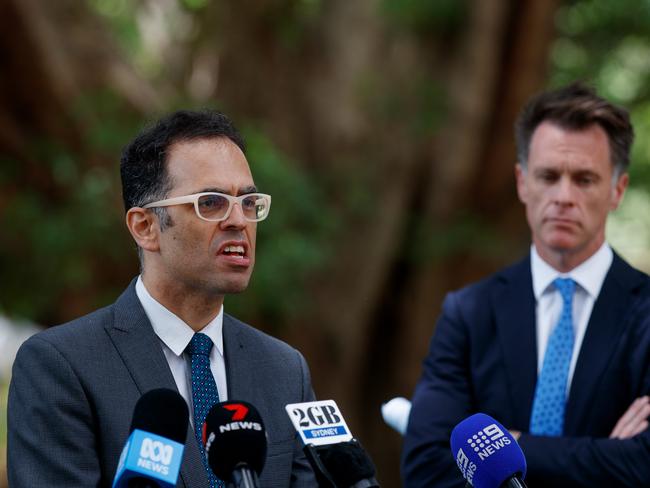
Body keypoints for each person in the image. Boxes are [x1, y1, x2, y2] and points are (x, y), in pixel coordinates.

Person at [8, 110, 316, 487]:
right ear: (145, 227)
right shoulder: (60, 367)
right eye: (212, 202)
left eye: (248, 203)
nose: (239, 221)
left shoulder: (284, 370)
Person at [402, 83, 650, 487]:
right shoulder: (468, 312)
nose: (563, 196)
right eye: (548, 176)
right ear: (522, 182)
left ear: (617, 190)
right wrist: (605, 458)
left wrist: (507, 448)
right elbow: (426, 466)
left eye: (584, 179)